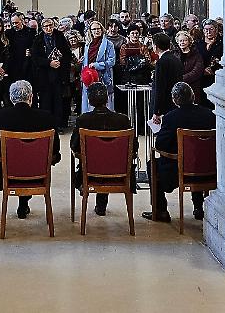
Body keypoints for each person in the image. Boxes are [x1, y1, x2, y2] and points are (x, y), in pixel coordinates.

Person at [0, 80, 60, 220]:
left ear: (11, 98)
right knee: (29, 162)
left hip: (6, 175)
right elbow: (56, 150)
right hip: (38, 176)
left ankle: (23, 203)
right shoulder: (46, 118)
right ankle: (23, 203)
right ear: (31, 97)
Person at [143, 82, 215, 223]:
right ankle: (198, 207)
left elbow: (160, 145)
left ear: (175, 99)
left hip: (177, 171)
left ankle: (161, 211)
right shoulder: (209, 115)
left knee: (152, 164)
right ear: (193, 96)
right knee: (196, 157)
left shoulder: (171, 118)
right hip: (208, 170)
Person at [70, 82, 135, 216]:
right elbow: (134, 147)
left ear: (89, 100)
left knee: (97, 161)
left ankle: (95, 198)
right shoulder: (122, 120)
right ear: (107, 98)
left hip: (90, 172)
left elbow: (74, 146)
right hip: (120, 172)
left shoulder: (84, 120)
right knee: (107, 160)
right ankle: (101, 203)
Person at [30, 17, 72, 127]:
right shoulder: (38, 39)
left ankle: (58, 124)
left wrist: (60, 62)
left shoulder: (60, 36)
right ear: (42, 28)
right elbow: (35, 58)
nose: (48, 28)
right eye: (46, 26)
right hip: (44, 75)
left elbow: (67, 54)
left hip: (58, 74)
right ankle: (46, 124)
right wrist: (48, 63)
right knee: (45, 101)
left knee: (58, 101)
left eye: (50, 26)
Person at [80, 20, 116, 113]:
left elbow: (112, 61)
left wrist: (97, 65)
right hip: (89, 77)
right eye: (94, 29)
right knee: (89, 101)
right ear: (90, 31)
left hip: (103, 76)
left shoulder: (109, 44)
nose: (96, 31)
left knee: (104, 101)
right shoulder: (88, 44)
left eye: (98, 28)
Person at [150, 33, 180, 120]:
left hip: (164, 106)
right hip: (174, 103)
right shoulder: (176, 59)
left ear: (155, 46)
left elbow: (160, 88)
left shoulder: (161, 62)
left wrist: (157, 111)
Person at [174, 31, 207, 106]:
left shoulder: (196, 55)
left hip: (193, 87)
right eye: (180, 41)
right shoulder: (174, 54)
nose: (182, 42)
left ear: (189, 41)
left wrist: (181, 78)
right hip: (177, 87)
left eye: (185, 40)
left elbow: (197, 72)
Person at [5, 13, 33, 87]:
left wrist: (31, 51)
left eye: (16, 23)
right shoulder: (8, 33)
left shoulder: (30, 32)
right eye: (13, 23)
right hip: (12, 65)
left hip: (26, 65)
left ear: (22, 21)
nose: (14, 25)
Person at [198, 19, 223, 91]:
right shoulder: (198, 44)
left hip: (215, 78)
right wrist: (202, 70)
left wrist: (212, 69)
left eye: (211, 29)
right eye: (206, 29)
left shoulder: (222, 44)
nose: (208, 32)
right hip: (201, 78)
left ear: (216, 30)